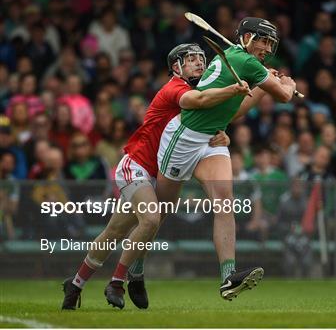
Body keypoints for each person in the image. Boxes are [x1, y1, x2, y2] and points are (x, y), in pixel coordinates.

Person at [61, 43, 250, 310]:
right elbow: (200, 102)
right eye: (191, 59)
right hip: (136, 166)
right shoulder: (177, 89)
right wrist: (235, 87)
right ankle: (119, 281)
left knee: (115, 231)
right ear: (176, 67)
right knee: (150, 218)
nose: (199, 62)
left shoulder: (204, 90)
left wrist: (222, 132)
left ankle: (76, 283)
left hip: (160, 173)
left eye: (201, 59)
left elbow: (221, 113)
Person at [156, 17, 297, 300]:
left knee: (224, 203)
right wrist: (289, 83)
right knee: (158, 211)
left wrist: (260, 82)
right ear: (246, 38)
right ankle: (133, 267)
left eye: (271, 43)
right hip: (184, 138)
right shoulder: (243, 61)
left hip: (213, 139)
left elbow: (234, 112)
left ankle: (228, 278)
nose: (267, 48)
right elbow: (283, 96)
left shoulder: (240, 60)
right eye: (262, 40)